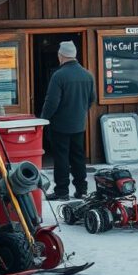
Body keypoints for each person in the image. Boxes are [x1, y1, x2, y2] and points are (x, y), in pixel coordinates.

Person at [41, 41, 96, 201]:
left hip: (60, 125)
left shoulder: (58, 76)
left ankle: (62, 191)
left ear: (61, 55)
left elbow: (52, 102)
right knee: (78, 157)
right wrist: (80, 112)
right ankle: (81, 190)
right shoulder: (87, 75)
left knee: (61, 158)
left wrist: (43, 120)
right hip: (79, 124)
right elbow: (91, 99)